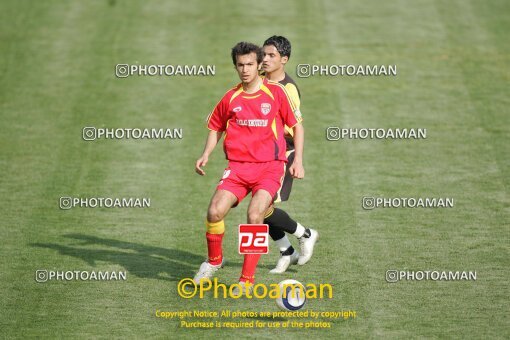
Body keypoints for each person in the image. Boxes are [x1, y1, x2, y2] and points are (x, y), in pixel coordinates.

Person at [193, 42, 304, 292]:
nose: (245, 69)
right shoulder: (230, 97)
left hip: (270, 167)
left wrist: (297, 160)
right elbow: (215, 126)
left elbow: (297, 126)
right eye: (240, 65)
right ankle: (214, 262)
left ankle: (246, 280)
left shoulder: (275, 93)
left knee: (255, 214)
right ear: (236, 66)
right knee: (214, 212)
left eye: (250, 64)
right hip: (238, 168)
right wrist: (206, 154)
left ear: (258, 65)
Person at [261, 36, 318, 273]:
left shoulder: (288, 88)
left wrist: (299, 161)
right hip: (261, 152)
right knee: (259, 208)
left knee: (263, 208)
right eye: (263, 54)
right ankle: (287, 251)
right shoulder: (259, 81)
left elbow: (297, 126)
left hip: (283, 152)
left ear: (284, 59)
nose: (264, 59)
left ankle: (305, 234)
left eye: (271, 55)